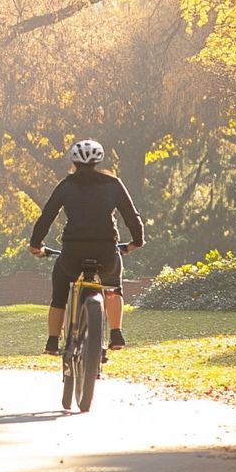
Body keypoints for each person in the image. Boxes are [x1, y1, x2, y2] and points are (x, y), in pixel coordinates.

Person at [29, 139, 144, 354]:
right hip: (106, 252)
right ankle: (116, 333)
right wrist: (136, 242)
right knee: (113, 287)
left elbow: (47, 216)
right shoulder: (114, 184)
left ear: (74, 161)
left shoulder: (66, 186)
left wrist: (36, 244)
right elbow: (132, 216)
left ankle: (52, 341)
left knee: (61, 289)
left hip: (73, 253)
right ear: (99, 161)